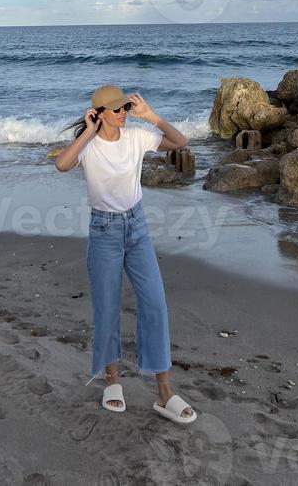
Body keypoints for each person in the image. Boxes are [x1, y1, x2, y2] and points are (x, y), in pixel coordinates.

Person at [55, 85, 197, 424]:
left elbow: (180, 143)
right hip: (103, 231)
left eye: (125, 107)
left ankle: (164, 392)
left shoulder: (137, 137)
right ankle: (112, 380)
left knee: (155, 304)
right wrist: (88, 131)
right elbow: (62, 164)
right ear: (100, 113)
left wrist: (153, 117)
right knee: (107, 306)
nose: (123, 113)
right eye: (117, 109)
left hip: (137, 228)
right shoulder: (88, 146)